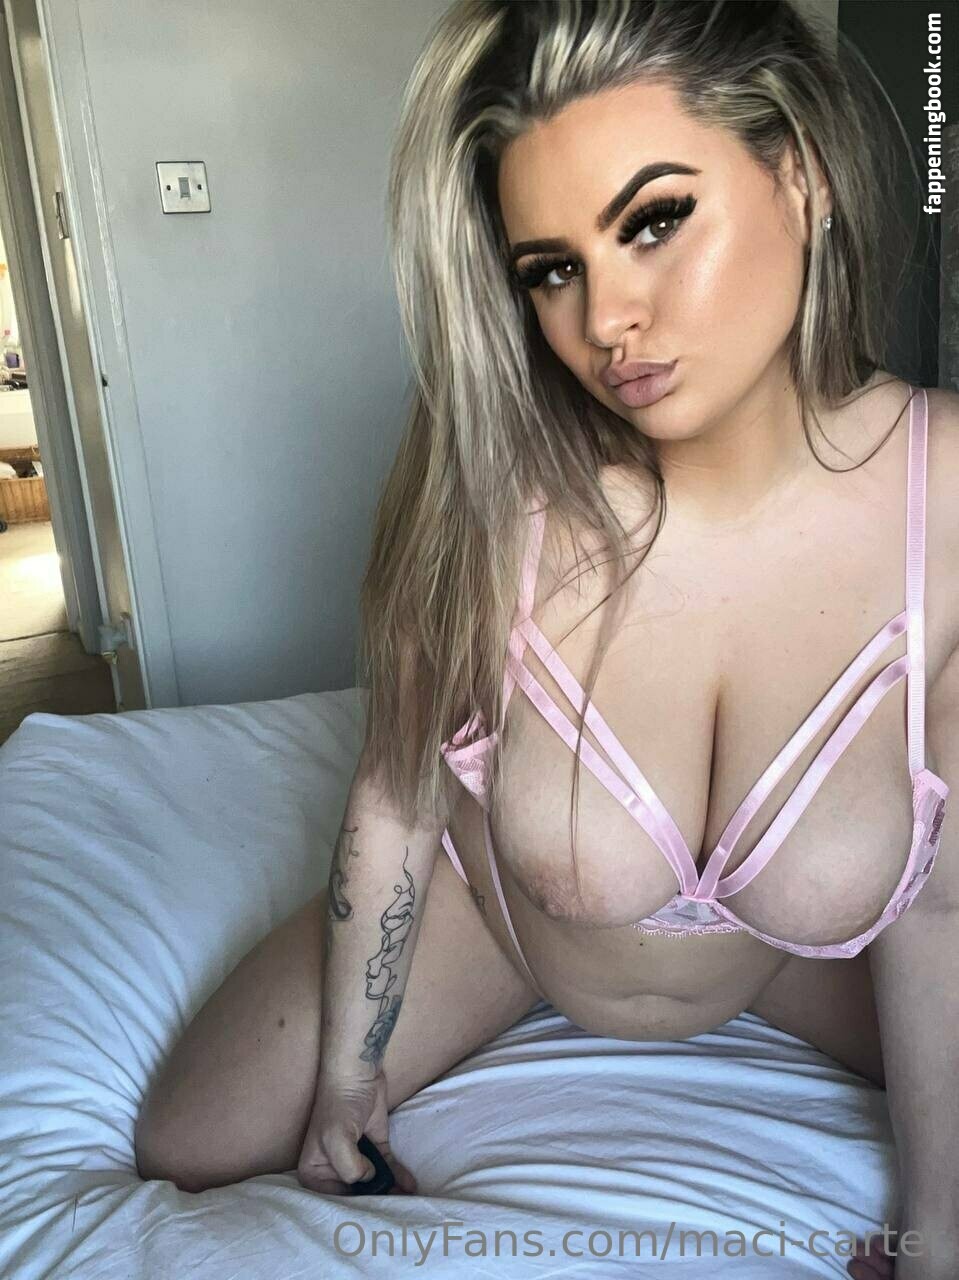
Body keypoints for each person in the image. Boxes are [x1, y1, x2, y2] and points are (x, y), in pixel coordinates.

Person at [134, 3, 958, 1276]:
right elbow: (396, 790)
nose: (606, 317)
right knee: (192, 1134)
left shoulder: (938, 498)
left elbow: (937, 893)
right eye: (551, 268)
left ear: (797, 174)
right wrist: (350, 1074)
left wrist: (939, 1230)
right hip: (508, 928)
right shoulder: (492, 491)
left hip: (780, 960)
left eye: (654, 220)